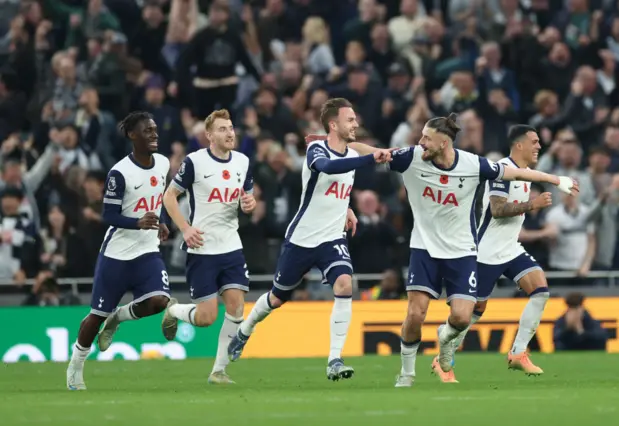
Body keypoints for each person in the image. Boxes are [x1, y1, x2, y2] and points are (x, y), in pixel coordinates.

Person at [339, 113, 577, 387]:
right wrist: (330, 143)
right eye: (422, 137)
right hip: (426, 248)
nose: (421, 142)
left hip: (462, 251)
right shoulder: (412, 156)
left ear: (444, 143)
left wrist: (556, 180)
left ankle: (461, 343)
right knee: (416, 314)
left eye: (427, 138)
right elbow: (374, 152)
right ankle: (407, 374)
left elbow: (519, 173)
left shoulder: (472, 164)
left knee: (464, 317)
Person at [227, 98, 389, 381]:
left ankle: (335, 359)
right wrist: (368, 159)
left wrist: (347, 207)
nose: (356, 124)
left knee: (344, 283)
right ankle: (245, 330)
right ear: (333, 124)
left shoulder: (350, 152)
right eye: (350, 120)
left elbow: (348, 173)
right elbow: (327, 168)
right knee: (277, 298)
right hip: (302, 238)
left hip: (332, 238)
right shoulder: (317, 149)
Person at [430, 125, 555, 383]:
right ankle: (443, 356)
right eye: (534, 141)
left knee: (541, 290)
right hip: (485, 252)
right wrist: (533, 204)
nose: (538, 146)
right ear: (519, 145)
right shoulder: (500, 171)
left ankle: (518, 353)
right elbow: (497, 210)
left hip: (510, 248)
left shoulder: (527, 174)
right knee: (470, 315)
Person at [66, 111, 172, 390]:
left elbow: (161, 200)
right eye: (147, 131)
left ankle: (119, 317)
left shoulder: (162, 163)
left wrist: (163, 223)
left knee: (159, 301)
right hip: (118, 254)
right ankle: (76, 365)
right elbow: (108, 215)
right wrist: (137, 222)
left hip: (148, 251)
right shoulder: (119, 172)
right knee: (95, 316)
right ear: (132, 135)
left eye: (155, 130)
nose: (154, 135)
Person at [161, 109, 255, 385]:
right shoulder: (194, 162)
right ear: (209, 135)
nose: (230, 133)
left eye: (231, 128)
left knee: (237, 306)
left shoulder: (242, 161)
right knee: (206, 318)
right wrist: (185, 228)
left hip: (231, 246)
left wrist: (249, 204)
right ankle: (174, 311)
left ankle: (218, 371)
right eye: (223, 129)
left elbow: (246, 199)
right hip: (202, 249)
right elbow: (169, 196)